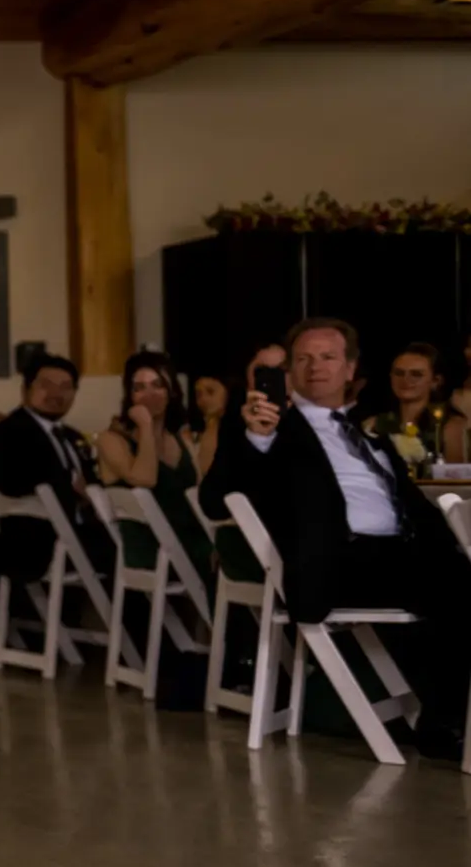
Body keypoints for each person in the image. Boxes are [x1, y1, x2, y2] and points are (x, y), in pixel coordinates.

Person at [201, 318, 469, 763]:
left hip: (401, 554)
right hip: (339, 561)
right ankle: (445, 723)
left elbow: (418, 510)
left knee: (456, 577)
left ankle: (444, 720)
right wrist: (256, 438)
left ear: (349, 369)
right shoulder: (271, 429)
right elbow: (214, 501)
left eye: (327, 357)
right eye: (303, 359)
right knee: (454, 590)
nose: (314, 367)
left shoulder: (370, 435)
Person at [0, 351, 112, 584]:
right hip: (36, 545)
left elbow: (92, 482)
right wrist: (75, 490)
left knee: (141, 545)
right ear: (25, 389)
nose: (56, 394)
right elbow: (9, 481)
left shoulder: (71, 436)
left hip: (76, 536)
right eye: (46, 385)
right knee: (139, 553)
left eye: (66, 387)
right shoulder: (6, 432)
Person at [95, 351, 211, 580]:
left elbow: (201, 492)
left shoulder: (182, 440)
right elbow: (146, 479)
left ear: (171, 392)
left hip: (190, 544)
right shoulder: (112, 440)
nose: (149, 395)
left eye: (157, 385)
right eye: (139, 388)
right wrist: (146, 427)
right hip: (151, 551)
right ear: (130, 396)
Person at [199, 340, 285, 479]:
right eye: (261, 370)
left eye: (280, 370)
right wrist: (255, 438)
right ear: (248, 376)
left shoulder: (306, 415)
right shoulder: (232, 421)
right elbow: (211, 490)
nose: (270, 377)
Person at [365, 341, 447, 467]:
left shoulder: (448, 424)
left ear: (435, 381)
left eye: (416, 374)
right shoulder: (375, 424)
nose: (406, 380)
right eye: (399, 373)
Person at [189, 372, 232, 476]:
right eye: (199, 395)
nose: (204, 399)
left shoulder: (242, 430)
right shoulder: (191, 434)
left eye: (210, 392)